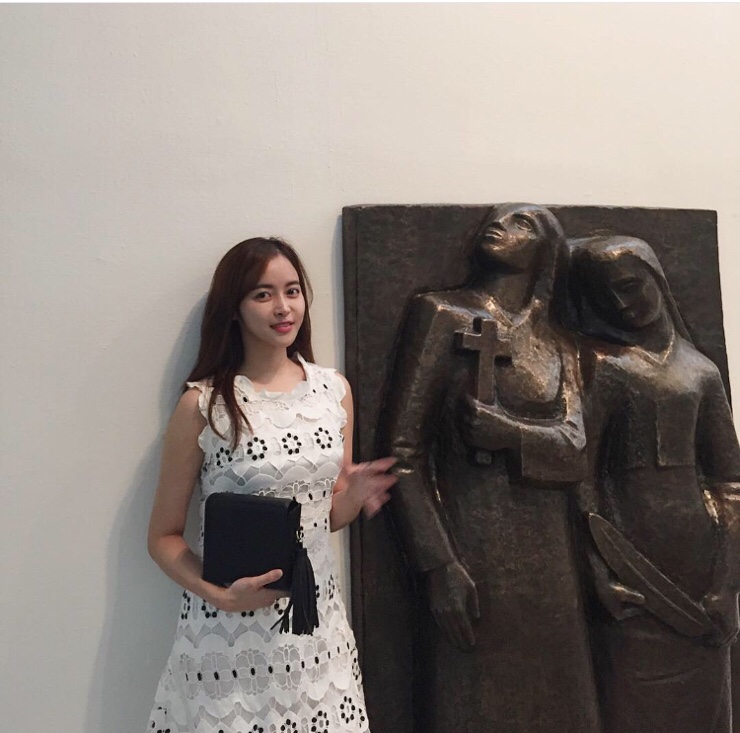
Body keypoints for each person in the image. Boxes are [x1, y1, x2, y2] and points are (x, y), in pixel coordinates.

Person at [146, 237, 396, 733]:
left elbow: (323, 516)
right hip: (228, 639)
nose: (283, 307)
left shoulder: (333, 391)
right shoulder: (203, 405)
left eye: (292, 291)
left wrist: (354, 497)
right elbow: (162, 536)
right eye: (263, 294)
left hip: (316, 629)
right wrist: (219, 595)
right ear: (234, 308)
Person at [379, 204, 601, 733]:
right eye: (496, 218)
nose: (497, 224)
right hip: (470, 545)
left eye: (522, 222)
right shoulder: (442, 314)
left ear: (546, 253)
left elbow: (576, 449)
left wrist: (509, 433)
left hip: (550, 559)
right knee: (473, 700)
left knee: (560, 704)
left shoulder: (558, 343)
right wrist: (438, 565)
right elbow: (402, 453)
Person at [570, 235, 740, 733]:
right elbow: (580, 474)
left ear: (656, 279)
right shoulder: (604, 366)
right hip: (631, 561)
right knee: (630, 702)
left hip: (696, 563)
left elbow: (730, 482)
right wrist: (596, 570)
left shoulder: (702, 372)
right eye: (606, 295)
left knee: (705, 706)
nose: (622, 304)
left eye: (629, 286)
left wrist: (727, 584)